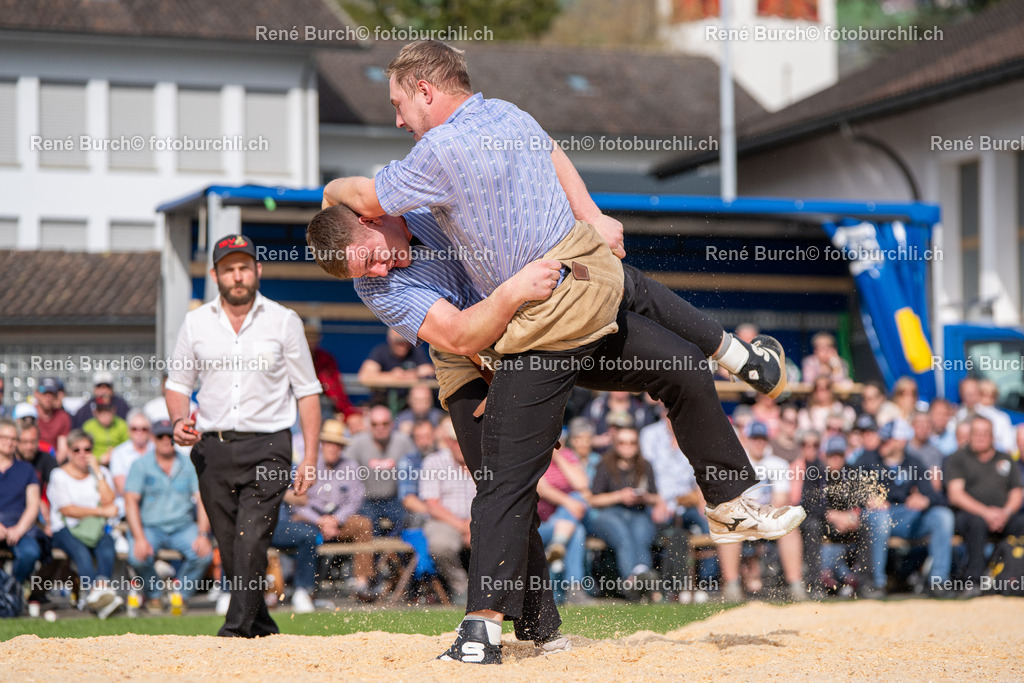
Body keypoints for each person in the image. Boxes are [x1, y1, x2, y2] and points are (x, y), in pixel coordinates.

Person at [313, 39, 799, 663]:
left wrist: (590, 216)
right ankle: (521, 629)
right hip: (475, 355)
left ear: (426, 91)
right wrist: (515, 289)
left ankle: (728, 495)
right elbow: (460, 336)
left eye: (400, 102)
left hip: (546, 319)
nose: (397, 119)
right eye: (366, 268)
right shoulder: (383, 261)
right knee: (506, 485)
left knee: (674, 363)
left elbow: (545, 148)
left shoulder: (461, 148)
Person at [165, 233, 322, 639]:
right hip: (211, 447)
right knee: (231, 546)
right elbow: (178, 383)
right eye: (229, 269)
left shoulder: (284, 320)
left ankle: (235, 631)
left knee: (251, 539)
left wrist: (310, 458)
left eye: (244, 267)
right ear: (216, 274)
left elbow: (307, 391)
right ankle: (263, 626)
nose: (238, 276)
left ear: (258, 270)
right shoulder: (196, 322)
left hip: (268, 446)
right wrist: (178, 420)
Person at [857, 420, 954, 598]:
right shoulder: (868, 459)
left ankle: (938, 581)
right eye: (883, 439)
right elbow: (849, 489)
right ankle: (875, 584)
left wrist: (924, 500)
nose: (883, 443)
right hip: (878, 516)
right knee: (880, 518)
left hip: (906, 517)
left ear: (901, 442)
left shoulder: (914, 463)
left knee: (942, 516)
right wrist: (866, 498)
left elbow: (936, 497)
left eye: (888, 440)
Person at [124, 420, 213, 613]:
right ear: (152, 439)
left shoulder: (188, 464)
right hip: (150, 526)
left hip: (181, 526)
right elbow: (130, 501)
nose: (166, 440)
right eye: (160, 436)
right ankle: (154, 594)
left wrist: (203, 534)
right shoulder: (140, 465)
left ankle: (180, 595)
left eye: (170, 436)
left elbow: (202, 500)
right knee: (136, 556)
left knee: (204, 553)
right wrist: (139, 538)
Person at [719, 421, 806, 602]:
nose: (759, 443)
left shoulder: (778, 464)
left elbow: (781, 498)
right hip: (742, 517)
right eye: (755, 439)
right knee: (728, 525)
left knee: (790, 528)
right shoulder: (735, 464)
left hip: (767, 516)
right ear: (746, 440)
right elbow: (732, 500)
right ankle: (732, 585)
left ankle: (795, 584)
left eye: (762, 439)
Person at [293, 419, 375, 601]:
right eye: (329, 443)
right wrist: (319, 521)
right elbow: (297, 501)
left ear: (341, 447)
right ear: (322, 444)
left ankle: (361, 583)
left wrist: (335, 519)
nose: (332, 448)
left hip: (339, 520)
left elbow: (355, 499)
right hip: (311, 519)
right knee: (300, 531)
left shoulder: (350, 466)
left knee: (363, 524)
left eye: (337, 444)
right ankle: (301, 587)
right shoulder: (309, 465)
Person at [944, 415, 1024, 597]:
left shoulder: (1005, 458)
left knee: (1021, 523)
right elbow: (956, 495)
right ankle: (974, 581)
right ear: (969, 435)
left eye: (986, 433)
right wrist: (986, 513)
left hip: (1002, 516)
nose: (981, 437)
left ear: (992, 436)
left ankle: (1016, 578)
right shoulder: (958, 458)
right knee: (976, 523)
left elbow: (1016, 492)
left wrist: (1005, 512)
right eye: (977, 433)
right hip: (969, 515)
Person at [587, 426, 669, 600]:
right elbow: (593, 499)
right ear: (616, 444)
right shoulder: (604, 464)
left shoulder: (645, 465)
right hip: (609, 513)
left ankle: (641, 575)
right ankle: (633, 579)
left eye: (632, 443)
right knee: (622, 535)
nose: (627, 446)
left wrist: (644, 496)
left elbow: (656, 498)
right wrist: (619, 496)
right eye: (622, 442)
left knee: (641, 535)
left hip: (637, 512)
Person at [47, 430, 122, 619]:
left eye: (87, 449)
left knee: (107, 545)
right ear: (70, 452)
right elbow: (67, 509)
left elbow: (110, 501)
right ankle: (93, 595)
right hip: (66, 529)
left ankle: (100, 591)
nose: (82, 454)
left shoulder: (101, 472)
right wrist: (100, 512)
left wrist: (97, 471)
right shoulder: (59, 475)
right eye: (77, 449)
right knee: (82, 555)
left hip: (94, 528)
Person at [419, 417, 477, 604]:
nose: (460, 444)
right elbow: (433, 505)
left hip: (477, 519)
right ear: (448, 441)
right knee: (440, 544)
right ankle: (461, 587)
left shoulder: (481, 460)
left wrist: (472, 523)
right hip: (444, 521)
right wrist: (462, 526)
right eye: (455, 440)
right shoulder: (434, 462)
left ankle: (487, 590)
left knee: (497, 540)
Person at [343, 404, 414, 536]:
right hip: (367, 499)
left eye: (384, 424)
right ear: (369, 425)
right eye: (375, 424)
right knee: (369, 524)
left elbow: (415, 466)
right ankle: (376, 556)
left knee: (407, 519)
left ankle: (395, 554)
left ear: (392, 424)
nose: (380, 428)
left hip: (394, 498)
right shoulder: (358, 443)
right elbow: (344, 467)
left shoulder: (403, 442)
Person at [0, 418, 43, 604]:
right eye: (4, 437)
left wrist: (18, 529)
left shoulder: (26, 470)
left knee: (30, 552)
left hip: (19, 525)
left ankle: (13, 589)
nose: (9, 442)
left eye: (13, 438)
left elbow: (33, 505)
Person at [358, 328, 435, 409]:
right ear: (390, 339)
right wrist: (391, 376)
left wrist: (414, 374)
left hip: (410, 406)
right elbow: (364, 376)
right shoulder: (381, 351)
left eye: (405, 341)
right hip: (382, 403)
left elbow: (429, 371)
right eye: (398, 341)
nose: (403, 345)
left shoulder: (416, 352)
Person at [304, 323, 361, 428]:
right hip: (297, 404)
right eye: (307, 339)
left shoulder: (325, 359)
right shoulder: (290, 358)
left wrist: (347, 412)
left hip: (323, 405)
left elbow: (335, 389)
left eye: (313, 339)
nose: (310, 343)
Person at [109, 410, 155, 518]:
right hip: (129, 503)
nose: (139, 432)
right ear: (128, 431)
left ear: (150, 431)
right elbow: (122, 488)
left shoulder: (157, 450)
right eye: (134, 429)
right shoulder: (119, 453)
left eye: (144, 429)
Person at [81, 397, 129, 466]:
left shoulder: (122, 425)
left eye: (108, 410)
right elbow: (84, 450)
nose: (104, 414)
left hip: (119, 462)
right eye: (100, 410)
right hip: (94, 464)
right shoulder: (88, 426)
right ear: (95, 412)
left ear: (114, 410)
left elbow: (128, 446)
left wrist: (114, 454)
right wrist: (99, 459)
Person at [34, 377, 71, 461]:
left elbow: (62, 451)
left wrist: (51, 467)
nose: (48, 397)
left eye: (51, 393)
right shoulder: (29, 414)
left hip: (53, 461)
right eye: (44, 393)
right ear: (36, 394)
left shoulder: (62, 417)